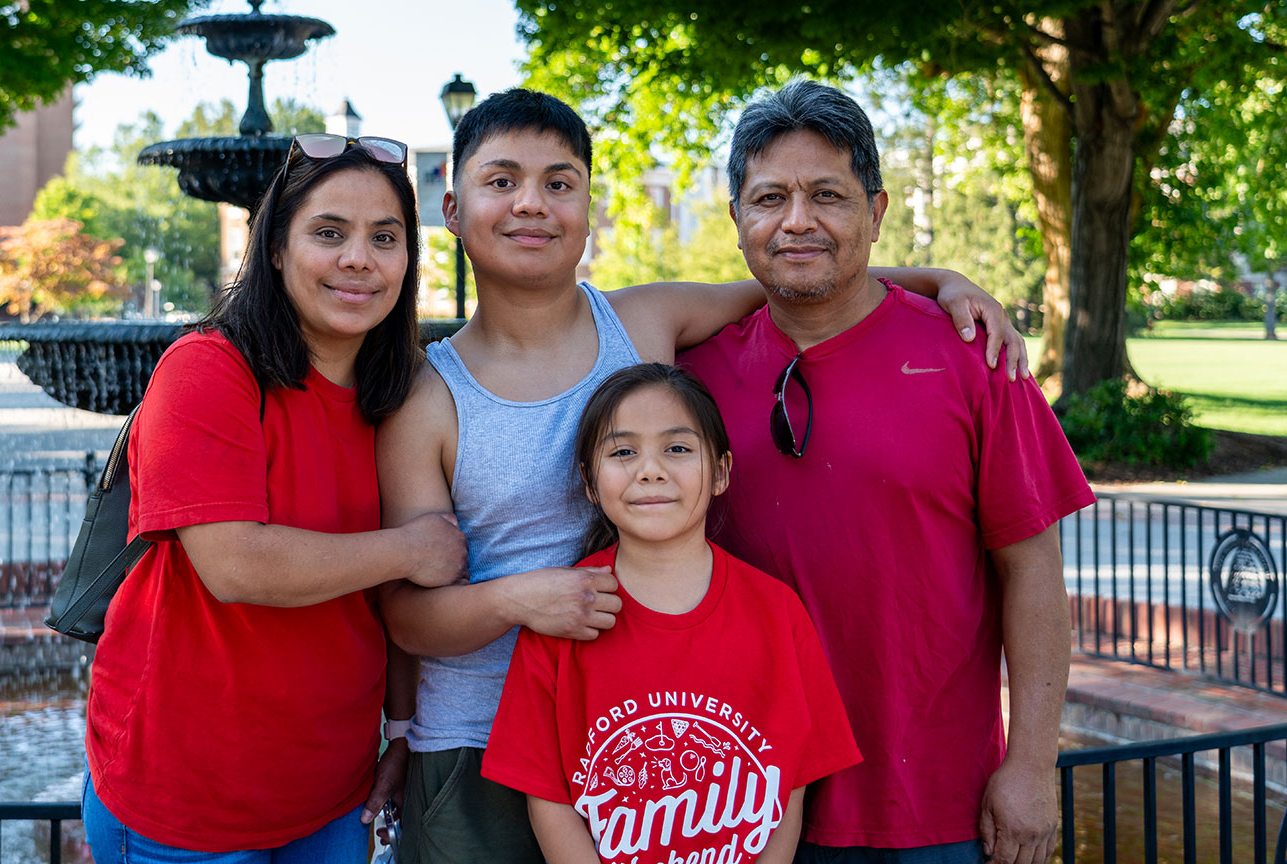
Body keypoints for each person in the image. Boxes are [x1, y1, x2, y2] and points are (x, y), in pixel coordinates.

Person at [375, 88, 1030, 864]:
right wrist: (522, 600)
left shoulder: (648, 322)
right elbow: (409, 619)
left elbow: (799, 268)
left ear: (589, 204)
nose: (532, 205)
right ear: (451, 208)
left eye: (559, 183)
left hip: (645, 746)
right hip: (478, 747)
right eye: (501, 182)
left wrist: (936, 278)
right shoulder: (426, 397)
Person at [679, 80, 1094, 864]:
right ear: (737, 220)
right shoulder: (687, 381)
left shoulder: (975, 358)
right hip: (743, 804)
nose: (796, 220)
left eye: (827, 195)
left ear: (875, 212)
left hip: (936, 807)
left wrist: (1033, 765)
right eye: (769, 197)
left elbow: (1032, 569)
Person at [82, 134, 467, 863]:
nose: (360, 257)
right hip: (185, 799)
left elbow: (386, 604)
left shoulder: (400, 395)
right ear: (278, 250)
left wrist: (402, 730)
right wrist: (413, 548)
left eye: (385, 238)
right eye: (329, 233)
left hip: (331, 793)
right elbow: (237, 565)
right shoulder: (208, 370)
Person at [483, 363, 862, 864]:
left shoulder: (776, 611)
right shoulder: (565, 614)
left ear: (722, 471)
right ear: (589, 481)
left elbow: (790, 785)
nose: (650, 469)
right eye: (623, 452)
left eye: (677, 449)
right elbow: (547, 797)